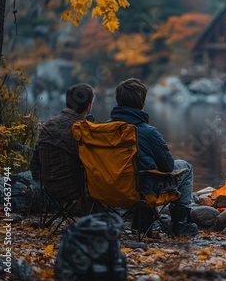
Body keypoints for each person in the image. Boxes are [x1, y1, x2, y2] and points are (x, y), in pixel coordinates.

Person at [110, 78, 198, 237]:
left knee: (140, 170)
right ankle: (180, 225)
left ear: (118, 100)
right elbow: (168, 167)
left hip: (110, 188)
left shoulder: (103, 130)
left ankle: (141, 222)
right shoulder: (148, 132)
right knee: (185, 168)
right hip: (141, 190)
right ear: (142, 102)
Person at [33, 83, 94, 202]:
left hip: (48, 189)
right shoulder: (82, 129)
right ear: (89, 106)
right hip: (75, 191)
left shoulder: (48, 124)